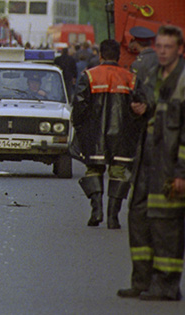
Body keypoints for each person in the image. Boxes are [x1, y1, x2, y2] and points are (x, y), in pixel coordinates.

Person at [118, 24, 185, 301]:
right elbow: (149, 109)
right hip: (147, 160)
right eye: (159, 46)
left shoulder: (182, 81)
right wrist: (140, 109)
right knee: (139, 217)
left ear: (179, 50)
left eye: (167, 47)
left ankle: (167, 285)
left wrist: (181, 172)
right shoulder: (152, 75)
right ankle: (142, 280)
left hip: (171, 166)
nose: (161, 52)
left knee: (166, 223)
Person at [71, 39, 138, 228]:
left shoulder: (90, 76)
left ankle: (96, 210)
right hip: (122, 135)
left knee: (93, 169)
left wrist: (79, 126)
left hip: (95, 134)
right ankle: (113, 216)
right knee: (118, 172)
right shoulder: (130, 78)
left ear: (100, 55)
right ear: (118, 56)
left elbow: (80, 104)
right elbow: (137, 107)